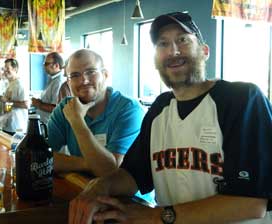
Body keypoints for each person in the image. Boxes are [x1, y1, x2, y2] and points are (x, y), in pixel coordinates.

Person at [68, 12, 272, 224]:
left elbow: (252, 202)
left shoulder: (242, 99)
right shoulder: (160, 108)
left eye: (182, 40)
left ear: (204, 51)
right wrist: (100, 186)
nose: (173, 51)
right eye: (162, 44)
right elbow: (133, 175)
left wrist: (159, 216)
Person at [48, 49, 145, 177]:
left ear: (105, 75)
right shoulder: (64, 108)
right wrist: (88, 164)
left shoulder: (129, 110)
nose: (84, 80)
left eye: (90, 72)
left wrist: (77, 121)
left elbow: (111, 173)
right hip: (84, 188)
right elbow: (41, 158)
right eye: (75, 75)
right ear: (68, 82)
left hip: (127, 196)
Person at [31, 52, 65, 124]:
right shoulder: (52, 79)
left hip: (50, 124)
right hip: (44, 122)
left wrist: (38, 104)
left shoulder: (58, 82)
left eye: (46, 64)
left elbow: (56, 108)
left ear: (56, 65)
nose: (44, 66)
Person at [0, 58, 29, 135]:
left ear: (15, 69)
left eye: (7, 68)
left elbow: (26, 105)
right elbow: (8, 104)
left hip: (17, 127)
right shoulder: (9, 83)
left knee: (15, 146)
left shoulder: (20, 84)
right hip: (8, 125)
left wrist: (6, 101)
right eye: (4, 68)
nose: (5, 71)